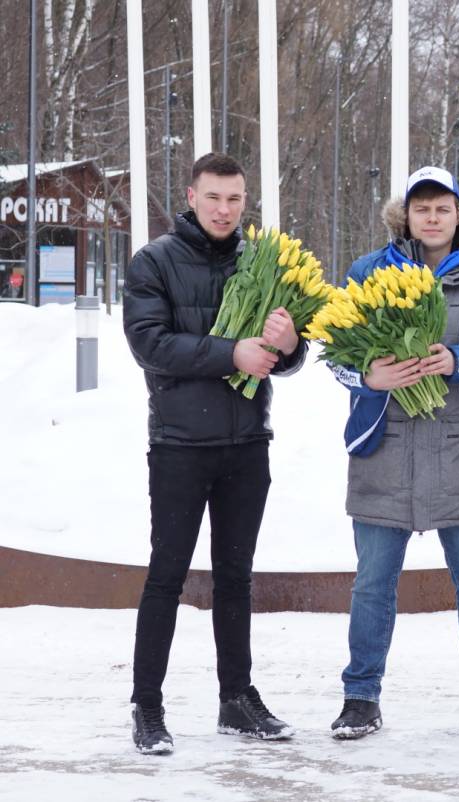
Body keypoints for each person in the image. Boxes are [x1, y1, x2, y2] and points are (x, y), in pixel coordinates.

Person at [123, 153, 305, 754]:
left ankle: (237, 699)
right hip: (179, 446)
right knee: (166, 577)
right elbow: (151, 344)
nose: (224, 210)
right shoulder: (154, 261)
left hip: (246, 444)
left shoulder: (262, 262)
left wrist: (289, 341)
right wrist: (232, 353)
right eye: (213, 199)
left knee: (235, 578)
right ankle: (147, 707)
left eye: (234, 200)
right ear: (192, 197)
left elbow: (290, 356)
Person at [327, 166, 459, 740]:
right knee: (373, 582)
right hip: (387, 445)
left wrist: (458, 362)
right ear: (403, 215)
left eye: (442, 208)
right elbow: (335, 355)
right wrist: (370, 376)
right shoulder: (368, 272)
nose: (431, 218)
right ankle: (361, 696)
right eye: (420, 208)